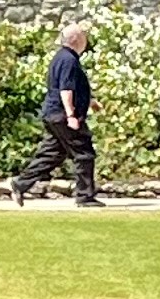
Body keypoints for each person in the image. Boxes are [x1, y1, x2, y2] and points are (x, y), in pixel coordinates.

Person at [9, 22, 98, 205]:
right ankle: (84, 196)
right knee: (84, 153)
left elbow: (67, 87)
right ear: (76, 39)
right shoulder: (69, 60)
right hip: (63, 115)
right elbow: (65, 89)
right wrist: (71, 116)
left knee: (51, 155)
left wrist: (90, 102)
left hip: (53, 114)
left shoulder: (62, 57)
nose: (86, 41)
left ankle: (20, 184)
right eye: (84, 37)